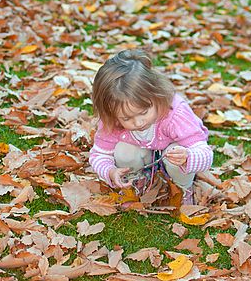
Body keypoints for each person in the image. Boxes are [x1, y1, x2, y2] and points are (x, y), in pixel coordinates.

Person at [89, 49, 213, 205]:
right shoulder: (112, 122)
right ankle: (136, 183)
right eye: (127, 118)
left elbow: (206, 154)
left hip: (172, 152)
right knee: (123, 151)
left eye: (144, 112)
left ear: (156, 94)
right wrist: (110, 171)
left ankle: (182, 189)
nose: (139, 122)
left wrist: (188, 157)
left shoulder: (175, 113)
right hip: (141, 151)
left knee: (175, 154)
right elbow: (98, 155)